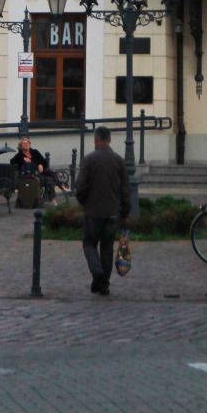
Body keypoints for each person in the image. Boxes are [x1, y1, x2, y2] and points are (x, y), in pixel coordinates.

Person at [73, 126, 129, 296]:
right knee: (107, 247)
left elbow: (80, 187)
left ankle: (97, 273)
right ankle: (104, 285)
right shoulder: (119, 161)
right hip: (113, 212)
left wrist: (84, 202)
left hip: (93, 211)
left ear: (96, 139)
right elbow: (125, 190)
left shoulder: (89, 160)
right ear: (109, 139)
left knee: (89, 244)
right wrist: (125, 213)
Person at [10, 136, 51, 208]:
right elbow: (12, 161)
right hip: (29, 176)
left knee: (52, 174)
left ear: (30, 144)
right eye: (23, 143)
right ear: (20, 146)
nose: (26, 145)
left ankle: (56, 193)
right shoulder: (19, 155)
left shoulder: (35, 152)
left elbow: (45, 163)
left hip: (40, 172)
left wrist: (41, 164)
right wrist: (23, 159)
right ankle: (45, 200)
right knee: (47, 179)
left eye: (27, 143)